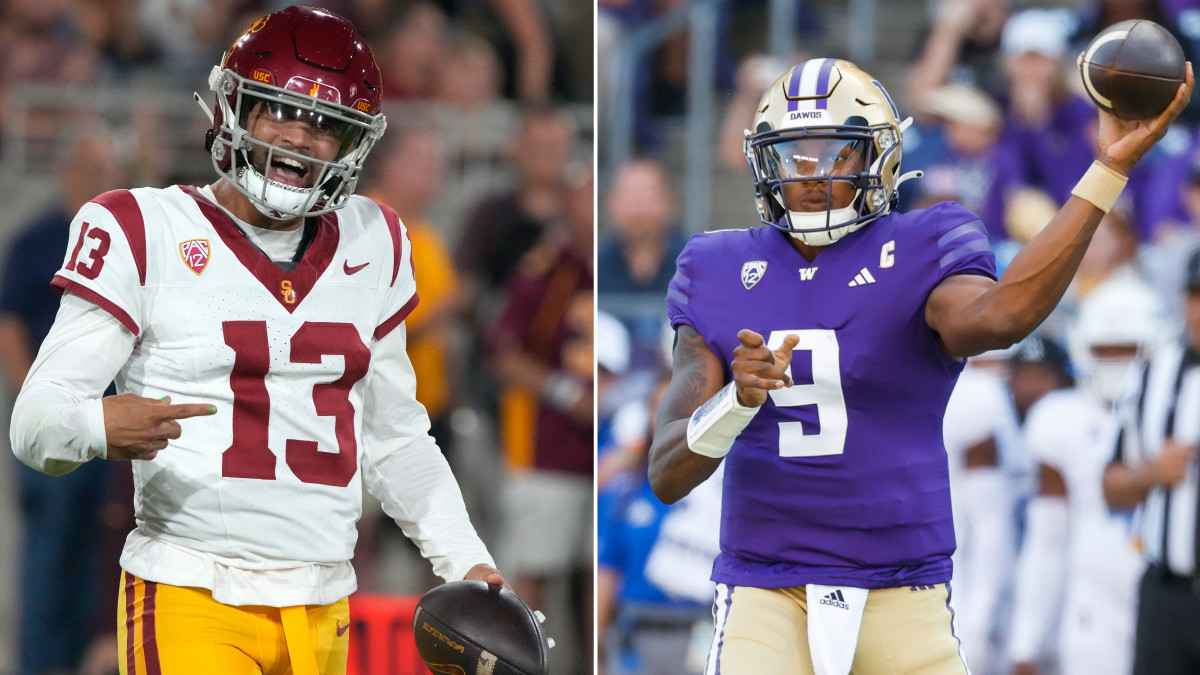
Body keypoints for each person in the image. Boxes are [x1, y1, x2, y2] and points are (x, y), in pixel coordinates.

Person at [647, 56, 1192, 674]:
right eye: (792, 154)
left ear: (880, 156)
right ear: (762, 161)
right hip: (766, 586)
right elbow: (666, 472)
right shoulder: (715, 266)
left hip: (903, 585)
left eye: (836, 153)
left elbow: (1001, 316)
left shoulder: (923, 242)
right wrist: (736, 402)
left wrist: (1108, 168)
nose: (810, 174)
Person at [8, 7, 506, 675]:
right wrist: (98, 423)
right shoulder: (140, 225)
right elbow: (35, 423)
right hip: (191, 589)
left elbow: (394, 437)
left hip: (325, 603)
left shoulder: (376, 239)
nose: (300, 138)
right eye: (278, 110)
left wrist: (466, 559)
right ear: (233, 106)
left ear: (355, 144)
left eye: (327, 125)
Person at [0, 127, 127, 675]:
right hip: (60, 422)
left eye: (107, 173)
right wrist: (34, 394)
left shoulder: (122, 241)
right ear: (66, 174)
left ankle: (83, 661)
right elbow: (7, 324)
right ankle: (39, 665)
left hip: (107, 425)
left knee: (97, 556)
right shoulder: (39, 238)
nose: (99, 182)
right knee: (49, 555)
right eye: (89, 170)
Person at [1009, 278, 1168, 675]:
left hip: (1171, 596)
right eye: (1104, 351)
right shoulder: (1060, 416)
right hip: (1094, 597)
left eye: (1127, 350)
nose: (1115, 363)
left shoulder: (1182, 404)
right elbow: (1047, 543)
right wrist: (1026, 639)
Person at [1103, 247, 1200, 675]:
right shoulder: (1154, 374)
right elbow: (1111, 485)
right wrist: (1153, 473)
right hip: (1168, 599)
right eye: (1196, 294)